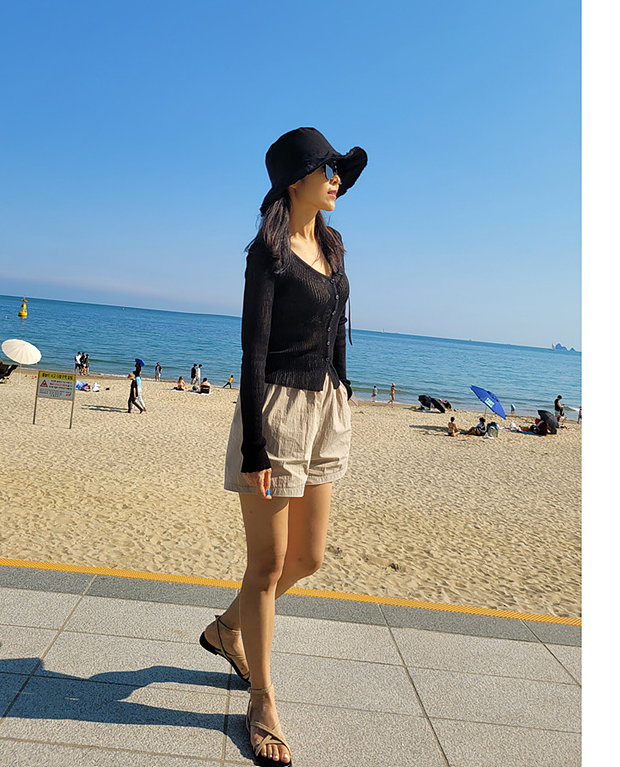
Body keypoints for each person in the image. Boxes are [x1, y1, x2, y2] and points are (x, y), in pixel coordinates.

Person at [199, 127, 367, 767]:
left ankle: (226, 629)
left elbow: (337, 325)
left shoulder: (333, 244)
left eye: (338, 169)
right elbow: (252, 352)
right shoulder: (266, 254)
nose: (337, 179)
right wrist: (254, 447)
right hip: (275, 411)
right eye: (328, 169)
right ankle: (262, 700)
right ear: (296, 181)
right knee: (267, 565)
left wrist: (342, 385)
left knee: (309, 558)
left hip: (326, 406)